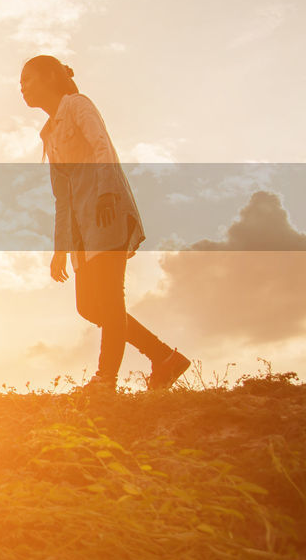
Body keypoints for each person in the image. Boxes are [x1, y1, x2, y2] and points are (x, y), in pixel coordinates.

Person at [20, 55, 190, 392]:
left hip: (106, 211)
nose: (22, 88)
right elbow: (63, 196)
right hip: (82, 228)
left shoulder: (78, 105)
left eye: (28, 79)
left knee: (110, 299)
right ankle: (164, 357)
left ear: (52, 77)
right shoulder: (48, 134)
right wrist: (60, 248)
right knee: (88, 307)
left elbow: (102, 147)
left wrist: (107, 194)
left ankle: (105, 378)